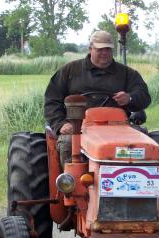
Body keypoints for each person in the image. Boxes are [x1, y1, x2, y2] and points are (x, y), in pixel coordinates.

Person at [44, 30, 152, 165]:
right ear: (90, 49)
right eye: (99, 49)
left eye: (107, 49)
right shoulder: (70, 71)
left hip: (118, 126)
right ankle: (70, 182)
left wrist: (129, 98)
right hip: (79, 127)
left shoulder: (127, 73)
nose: (104, 53)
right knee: (68, 143)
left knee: (141, 144)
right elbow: (52, 100)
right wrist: (60, 124)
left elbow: (144, 95)